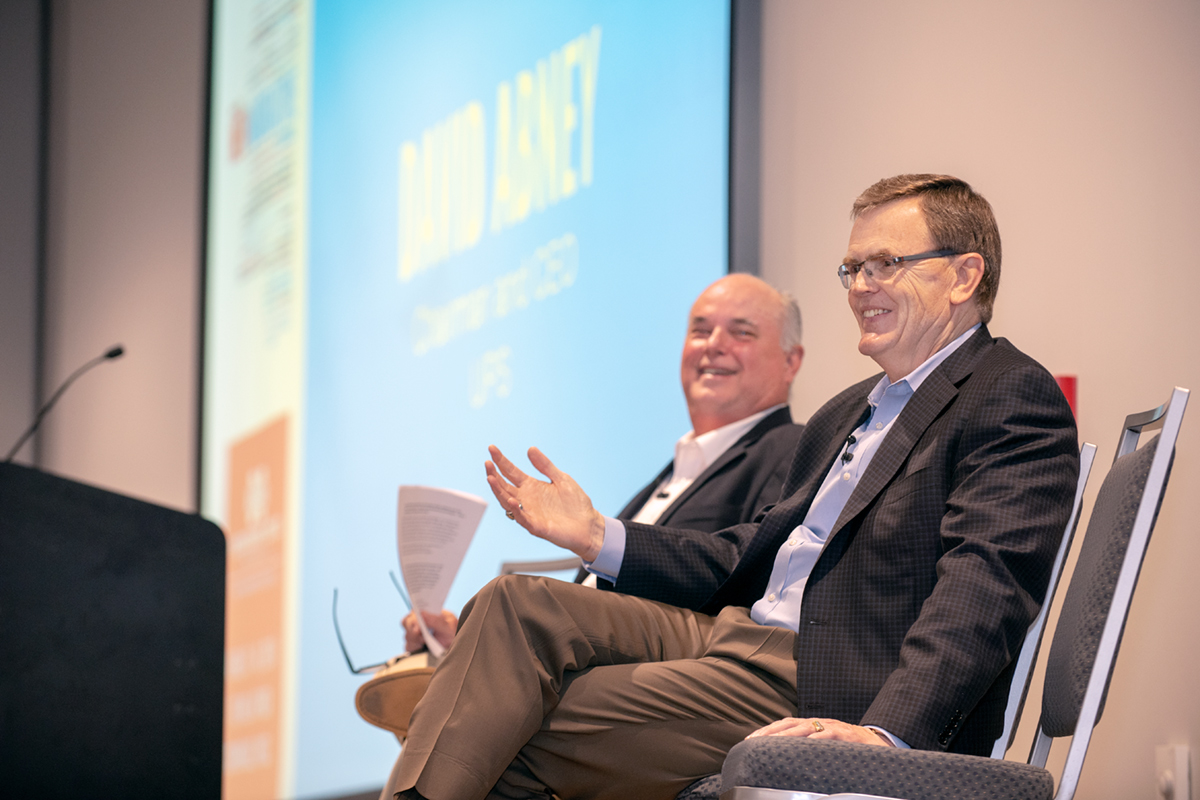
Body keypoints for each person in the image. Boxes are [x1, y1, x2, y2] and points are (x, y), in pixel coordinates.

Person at [393, 174, 1080, 800]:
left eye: (886, 264)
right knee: (517, 605)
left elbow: (986, 586)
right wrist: (596, 536)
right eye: (852, 267)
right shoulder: (848, 410)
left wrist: (887, 736)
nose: (860, 286)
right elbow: (741, 557)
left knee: (486, 720)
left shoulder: (1007, 394)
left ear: (964, 276)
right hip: (732, 635)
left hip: (817, 681)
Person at [400, 273, 806, 652]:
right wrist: (468, 645)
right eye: (700, 330)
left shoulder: (796, 448)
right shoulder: (670, 476)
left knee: (511, 597)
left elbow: (750, 573)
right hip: (587, 682)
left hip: (671, 694)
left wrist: (597, 535)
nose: (713, 344)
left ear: (792, 361)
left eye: (742, 332)